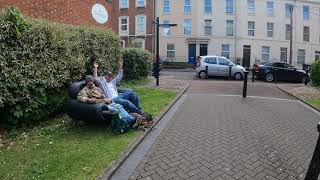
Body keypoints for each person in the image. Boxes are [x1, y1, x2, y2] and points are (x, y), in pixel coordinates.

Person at [77, 75, 152, 128]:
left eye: (91, 81)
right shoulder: (85, 90)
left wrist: (107, 98)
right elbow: (79, 97)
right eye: (88, 81)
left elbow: (103, 96)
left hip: (107, 102)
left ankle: (139, 120)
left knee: (121, 106)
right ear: (86, 82)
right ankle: (133, 120)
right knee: (118, 107)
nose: (90, 83)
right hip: (101, 105)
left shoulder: (97, 88)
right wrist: (88, 99)